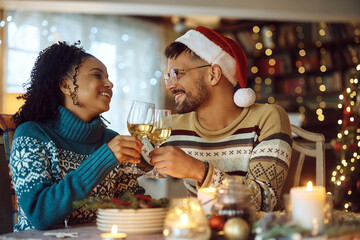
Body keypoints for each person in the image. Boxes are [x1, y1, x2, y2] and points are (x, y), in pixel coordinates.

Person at [149, 26, 292, 211]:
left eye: (177, 73)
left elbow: (264, 202)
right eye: (168, 76)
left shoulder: (267, 118)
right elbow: (124, 171)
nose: (169, 85)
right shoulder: (169, 127)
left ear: (213, 74)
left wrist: (199, 171)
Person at [10, 41, 145, 231]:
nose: (110, 84)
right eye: (97, 75)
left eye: (108, 77)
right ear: (66, 85)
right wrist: (104, 159)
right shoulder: (31, 134)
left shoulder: (112, 141)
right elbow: (39, 214)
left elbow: (130, 204)